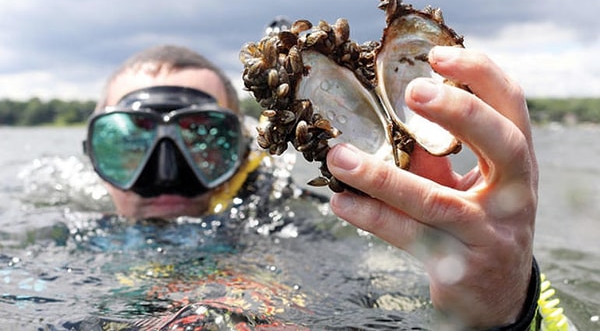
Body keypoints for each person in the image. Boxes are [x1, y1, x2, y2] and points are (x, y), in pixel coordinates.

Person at [83, 44, 570, 330]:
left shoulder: (308, 229)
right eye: (128, 143)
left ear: (244, 150)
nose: (166, 170)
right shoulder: (54, 241)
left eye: (204, 140)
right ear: (92, 155)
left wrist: (503, 300)